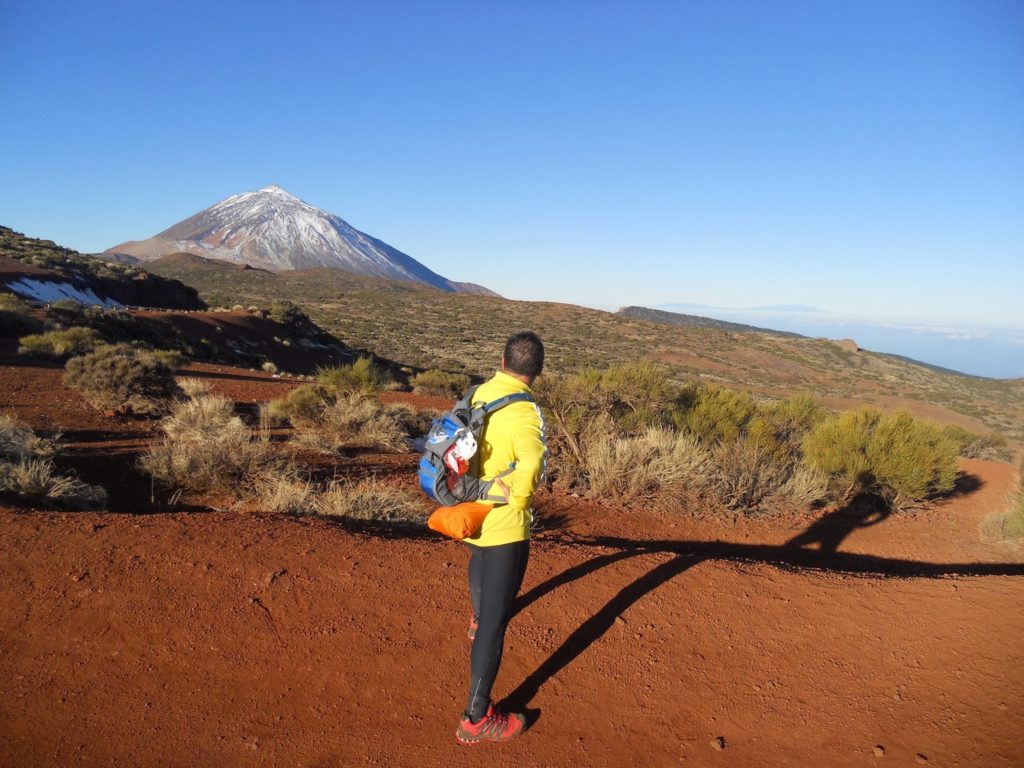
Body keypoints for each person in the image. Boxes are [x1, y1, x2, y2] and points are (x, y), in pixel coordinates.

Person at [455, 331, 547, 745]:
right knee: (496, 623)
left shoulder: (480, 392)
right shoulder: (525, 412)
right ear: (537, 371)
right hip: (505, 523)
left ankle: (476, 616)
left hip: (471, 507)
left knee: (478, 559)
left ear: (502, 359)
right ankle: (475, 718)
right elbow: (531, 462)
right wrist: (521, 501)